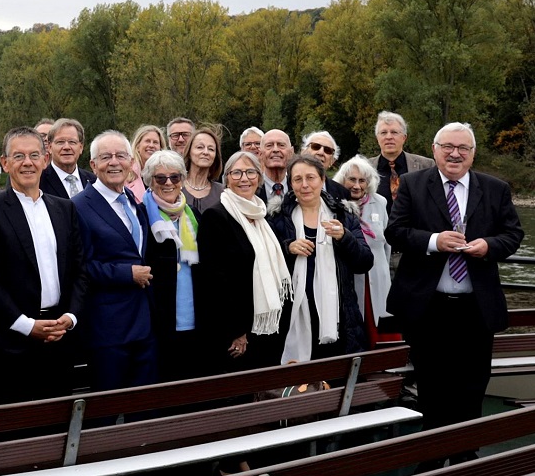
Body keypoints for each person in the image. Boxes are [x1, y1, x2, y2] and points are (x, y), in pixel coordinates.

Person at [386, 122, 523, 461]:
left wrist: (487, 246)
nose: (455, 153)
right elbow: (396, 232)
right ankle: (432, 456)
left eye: (463, 148)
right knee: (432, 386)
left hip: (475, 307)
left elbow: (513, 235)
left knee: (473, 385)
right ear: (434, 149)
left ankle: (465, 455)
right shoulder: (414, 185)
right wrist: (434, 241)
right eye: (447, 146)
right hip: (427, 306)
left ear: (473, 153)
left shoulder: (495, 189)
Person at [0, 127, 89, 404]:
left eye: (34, 155)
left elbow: (79, 270)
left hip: (61, 337)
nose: (28, 163)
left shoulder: (64, 209)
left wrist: (70, 317)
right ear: (5, 163)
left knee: (59, 429)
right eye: (19, 156)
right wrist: (25, 325)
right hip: (13, 343)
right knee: (18, 434)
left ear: (46, 160)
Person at [72, 130, 157, 476]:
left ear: (131, 163)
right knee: (106, 411)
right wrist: (127, 274)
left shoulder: (136, 202)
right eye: (105, 157)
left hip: (144, 324)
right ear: (93, 166)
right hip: (107, 327)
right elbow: (82, 266)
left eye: (121, 156)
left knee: (142, 409)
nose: (114, 162)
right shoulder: (80, 206)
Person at [267, 156, 372, 363]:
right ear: (291, 183)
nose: (304, 185)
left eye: (310, 178)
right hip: (292, 314)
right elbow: (265, 263)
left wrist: (344, 237)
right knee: (297, 383)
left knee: (336, 380)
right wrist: (287, 248)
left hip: (339, 314)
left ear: (322, 180)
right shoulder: (277, 217)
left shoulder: (343, 215)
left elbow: (365, 262)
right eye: (297, 179)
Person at [194, 151, 289, 373]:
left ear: (258, 178)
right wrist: (236, 331)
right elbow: (214, 279)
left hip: (266, 325)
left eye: (250, 172)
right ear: (226, 179)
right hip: (237, 332)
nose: (244, 178)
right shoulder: (215, 216)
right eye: (236, 173)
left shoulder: (261, 215)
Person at [140, 149, 200, 381]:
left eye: (175, 177)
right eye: (160, 178)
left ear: (182, 180)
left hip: (194, 317)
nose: (168, 183)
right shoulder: (142, 215)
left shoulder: (192, 215)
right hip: (159, 322)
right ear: (149, 181)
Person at [334, 156, 395, 348]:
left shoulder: (380, 202)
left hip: (378, 276)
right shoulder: (335, 205)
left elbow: (386, 243)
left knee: (383, 328)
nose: (357, 185)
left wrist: (386, 273)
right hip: (351, 278)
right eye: (352, 179)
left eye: (362, 180)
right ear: (342, 180)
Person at [370, 111, 434, 206]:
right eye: (383, 132)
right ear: (377, 138)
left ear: (404, 138)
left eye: (394, 132)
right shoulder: (365, 167)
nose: (389, 137)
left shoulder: (426, 166)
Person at [40, 118, 95, 199]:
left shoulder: (93, 181)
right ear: (50, 147)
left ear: (81, 147)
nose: (66, 147)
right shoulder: (39, 182)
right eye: (60, 142)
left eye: (72, 142)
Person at [183, 126, 225, 215]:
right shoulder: (175, 187)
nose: (206, 152)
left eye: (211, 149)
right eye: (200, 147)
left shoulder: (223, 192)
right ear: (189, 152)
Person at [300, 130, 351, 201]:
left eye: (328, 150)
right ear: (303, 152)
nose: (321, 152)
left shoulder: (342, 194)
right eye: (316, 146)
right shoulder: (287, 186)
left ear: (332, 161)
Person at [125, 124, 165, 200]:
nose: (151, 145)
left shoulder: (167, 175)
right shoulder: (126, 173)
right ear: (137, 146)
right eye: (147, 141)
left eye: (155, 142)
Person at [258, 129, 294, 201]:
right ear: (260, 154)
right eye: (269, 145)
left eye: (281, 145)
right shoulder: (252, 190)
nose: (275, 149)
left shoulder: (299, 188)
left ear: (291, 152)